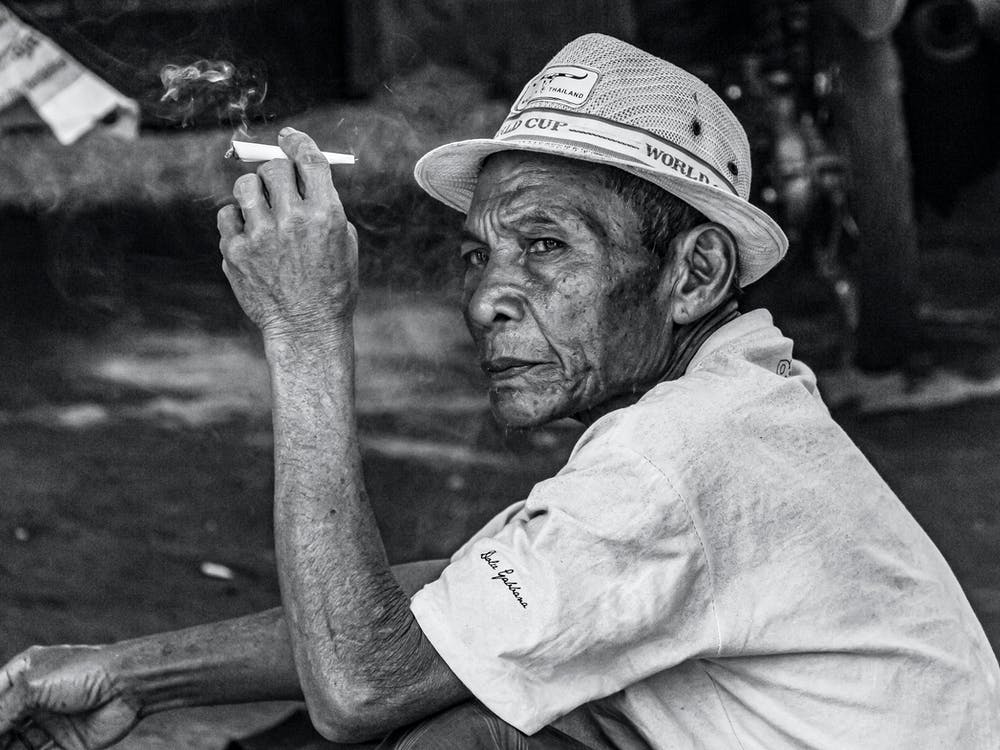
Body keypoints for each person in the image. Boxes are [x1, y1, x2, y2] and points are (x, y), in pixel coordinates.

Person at [1, 33, 998, 750]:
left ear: (692, 274)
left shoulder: (678, 459)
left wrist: (305, 333)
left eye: (546, 247)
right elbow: (442, 607)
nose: (487, 297)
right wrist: (130, 669)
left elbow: (358, 684)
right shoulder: (728, 399)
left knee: (429, 728)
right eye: (482, 253)